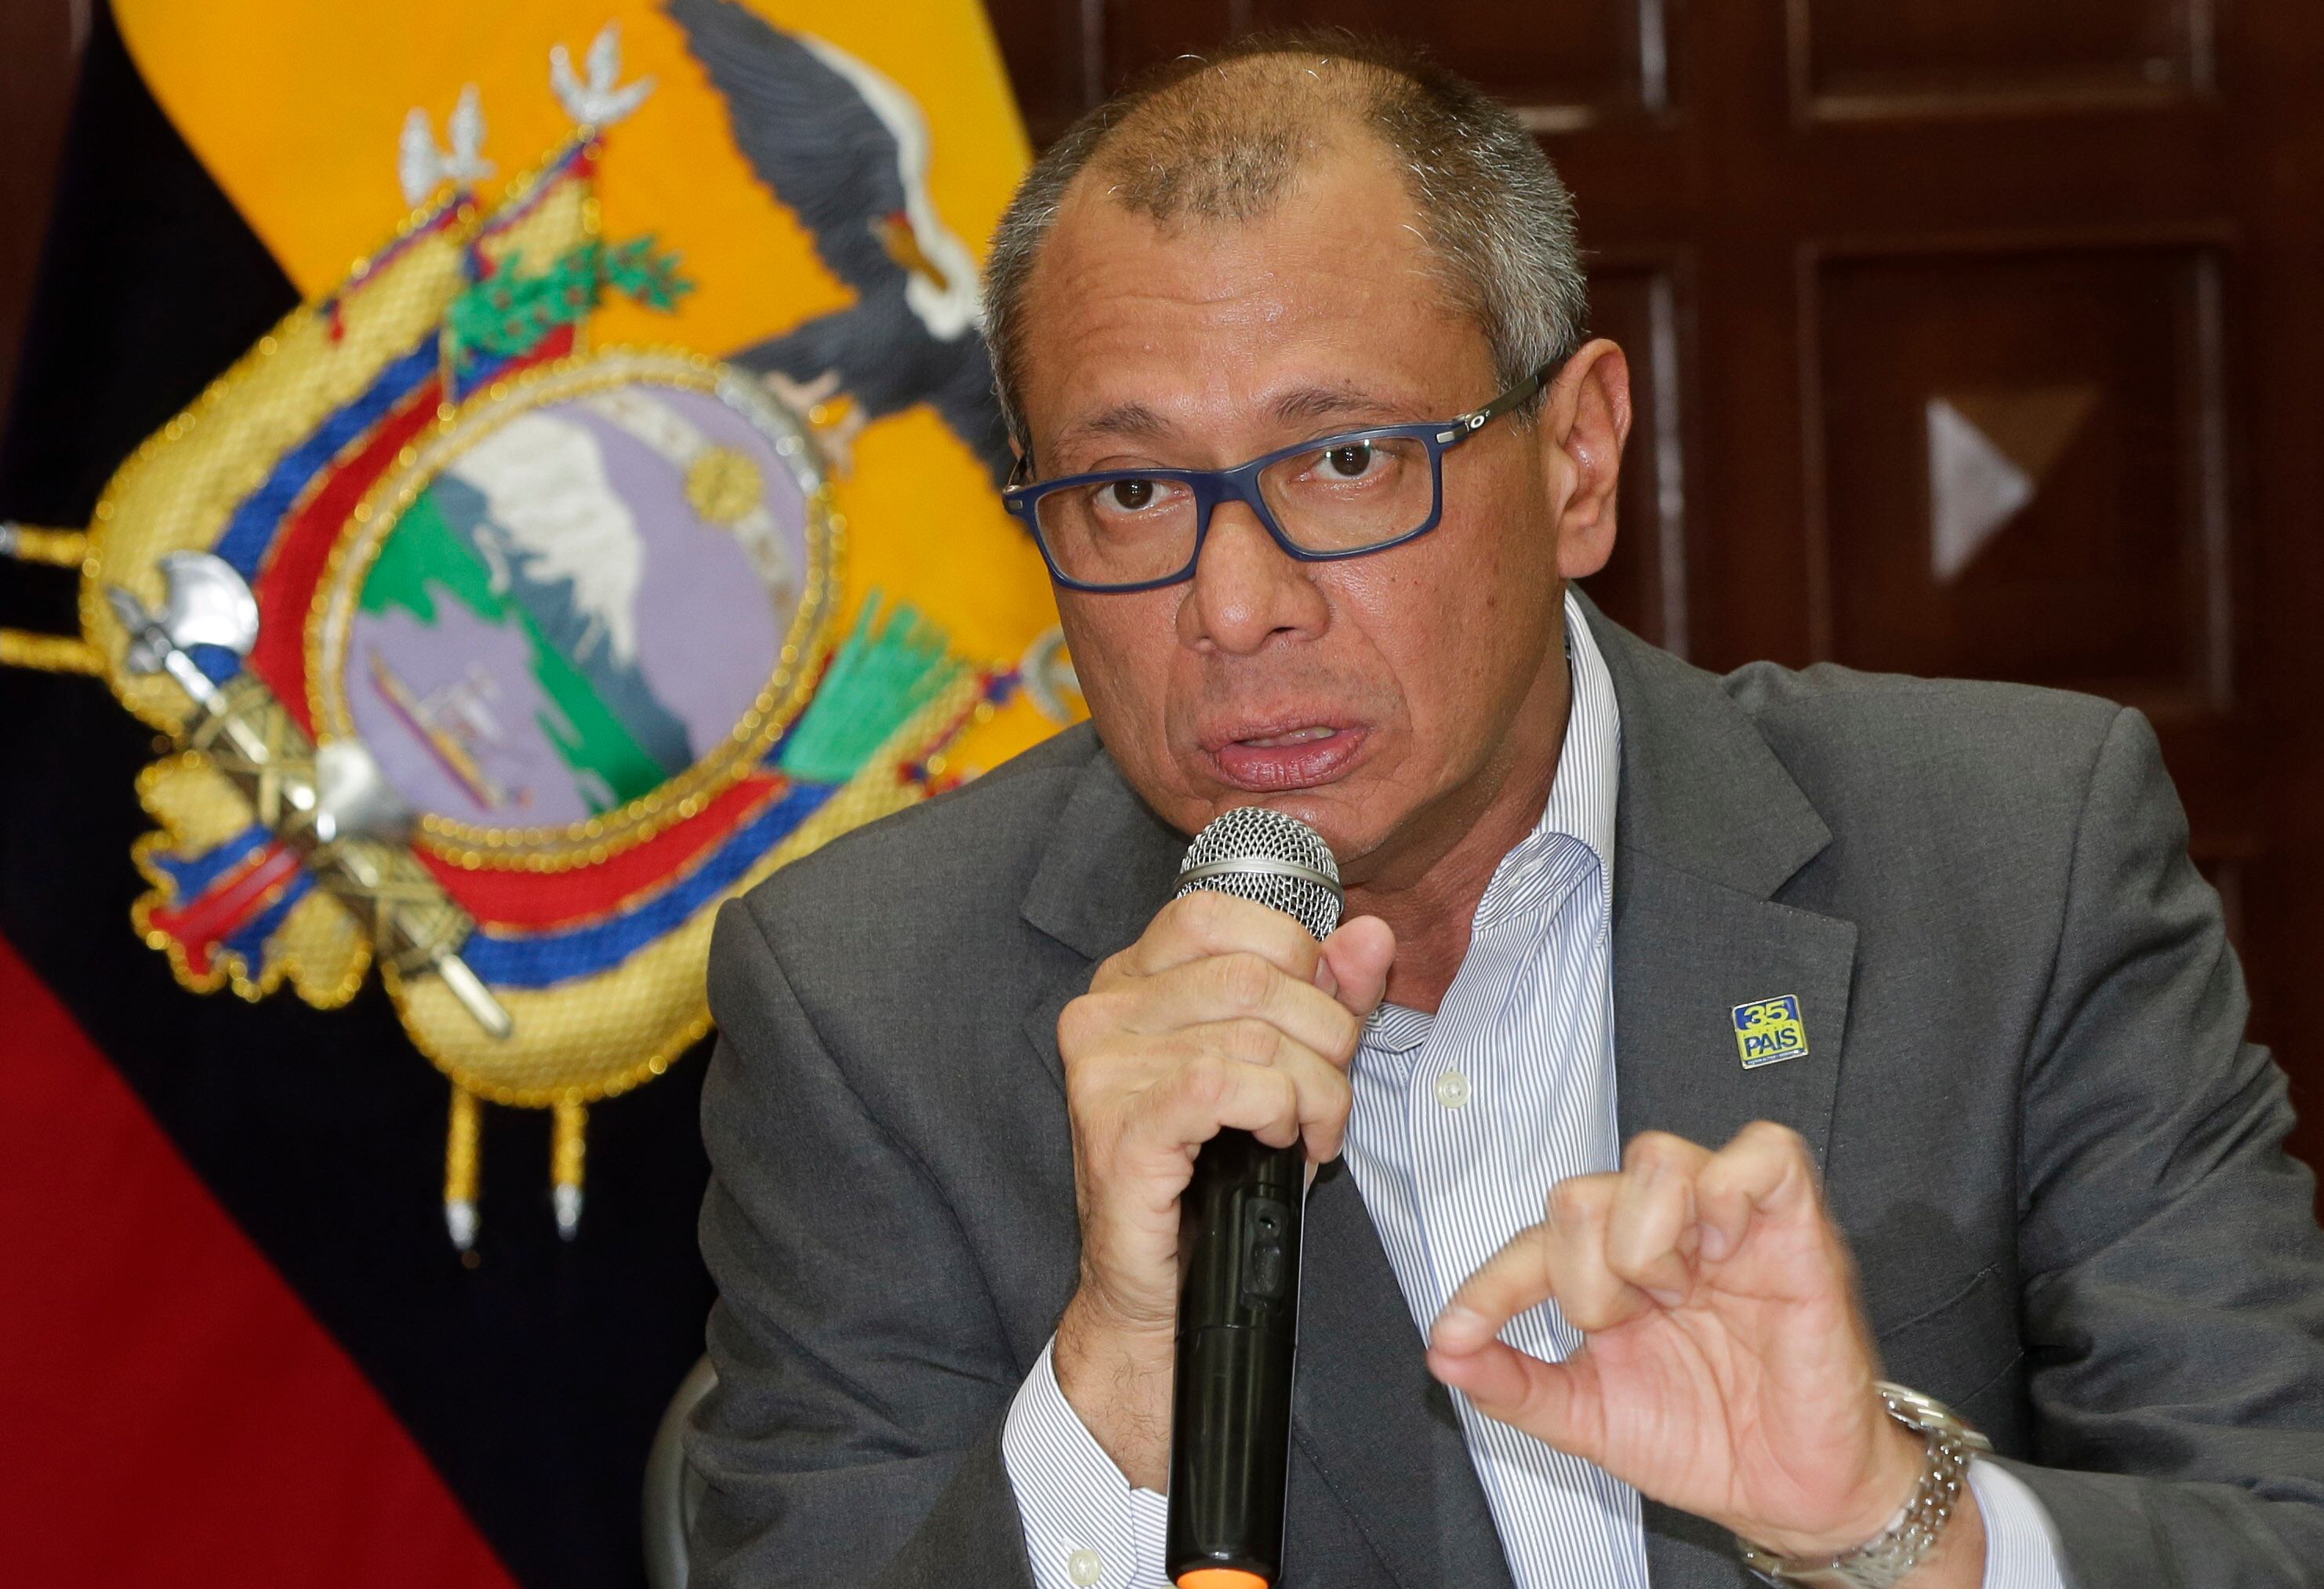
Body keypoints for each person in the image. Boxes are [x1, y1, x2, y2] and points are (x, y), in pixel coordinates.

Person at [687, 31, 2324, 1589]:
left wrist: (1891, 1523)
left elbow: (2279, 1527)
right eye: (1129, 491)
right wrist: (1121, 1366)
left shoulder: (2009, 860)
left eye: (1345, 460)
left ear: (1579, 460)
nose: (1235, 605)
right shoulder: (866, 1005)